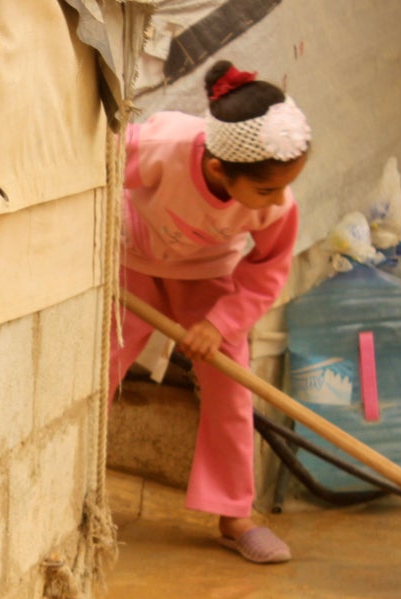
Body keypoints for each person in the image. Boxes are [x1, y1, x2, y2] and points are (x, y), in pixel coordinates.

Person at [109, 60, 311, 564]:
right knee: (96, 372)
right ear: (219, 168)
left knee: (231, 386)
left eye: (286, 186)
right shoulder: (163, 147)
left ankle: (234, 515)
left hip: (206, 279)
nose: (280, 200)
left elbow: (266, 270)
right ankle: (68, 491)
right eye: (267, 189)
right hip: (131, 263)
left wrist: (218, 324)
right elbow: (96, 164)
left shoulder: (275, 205)